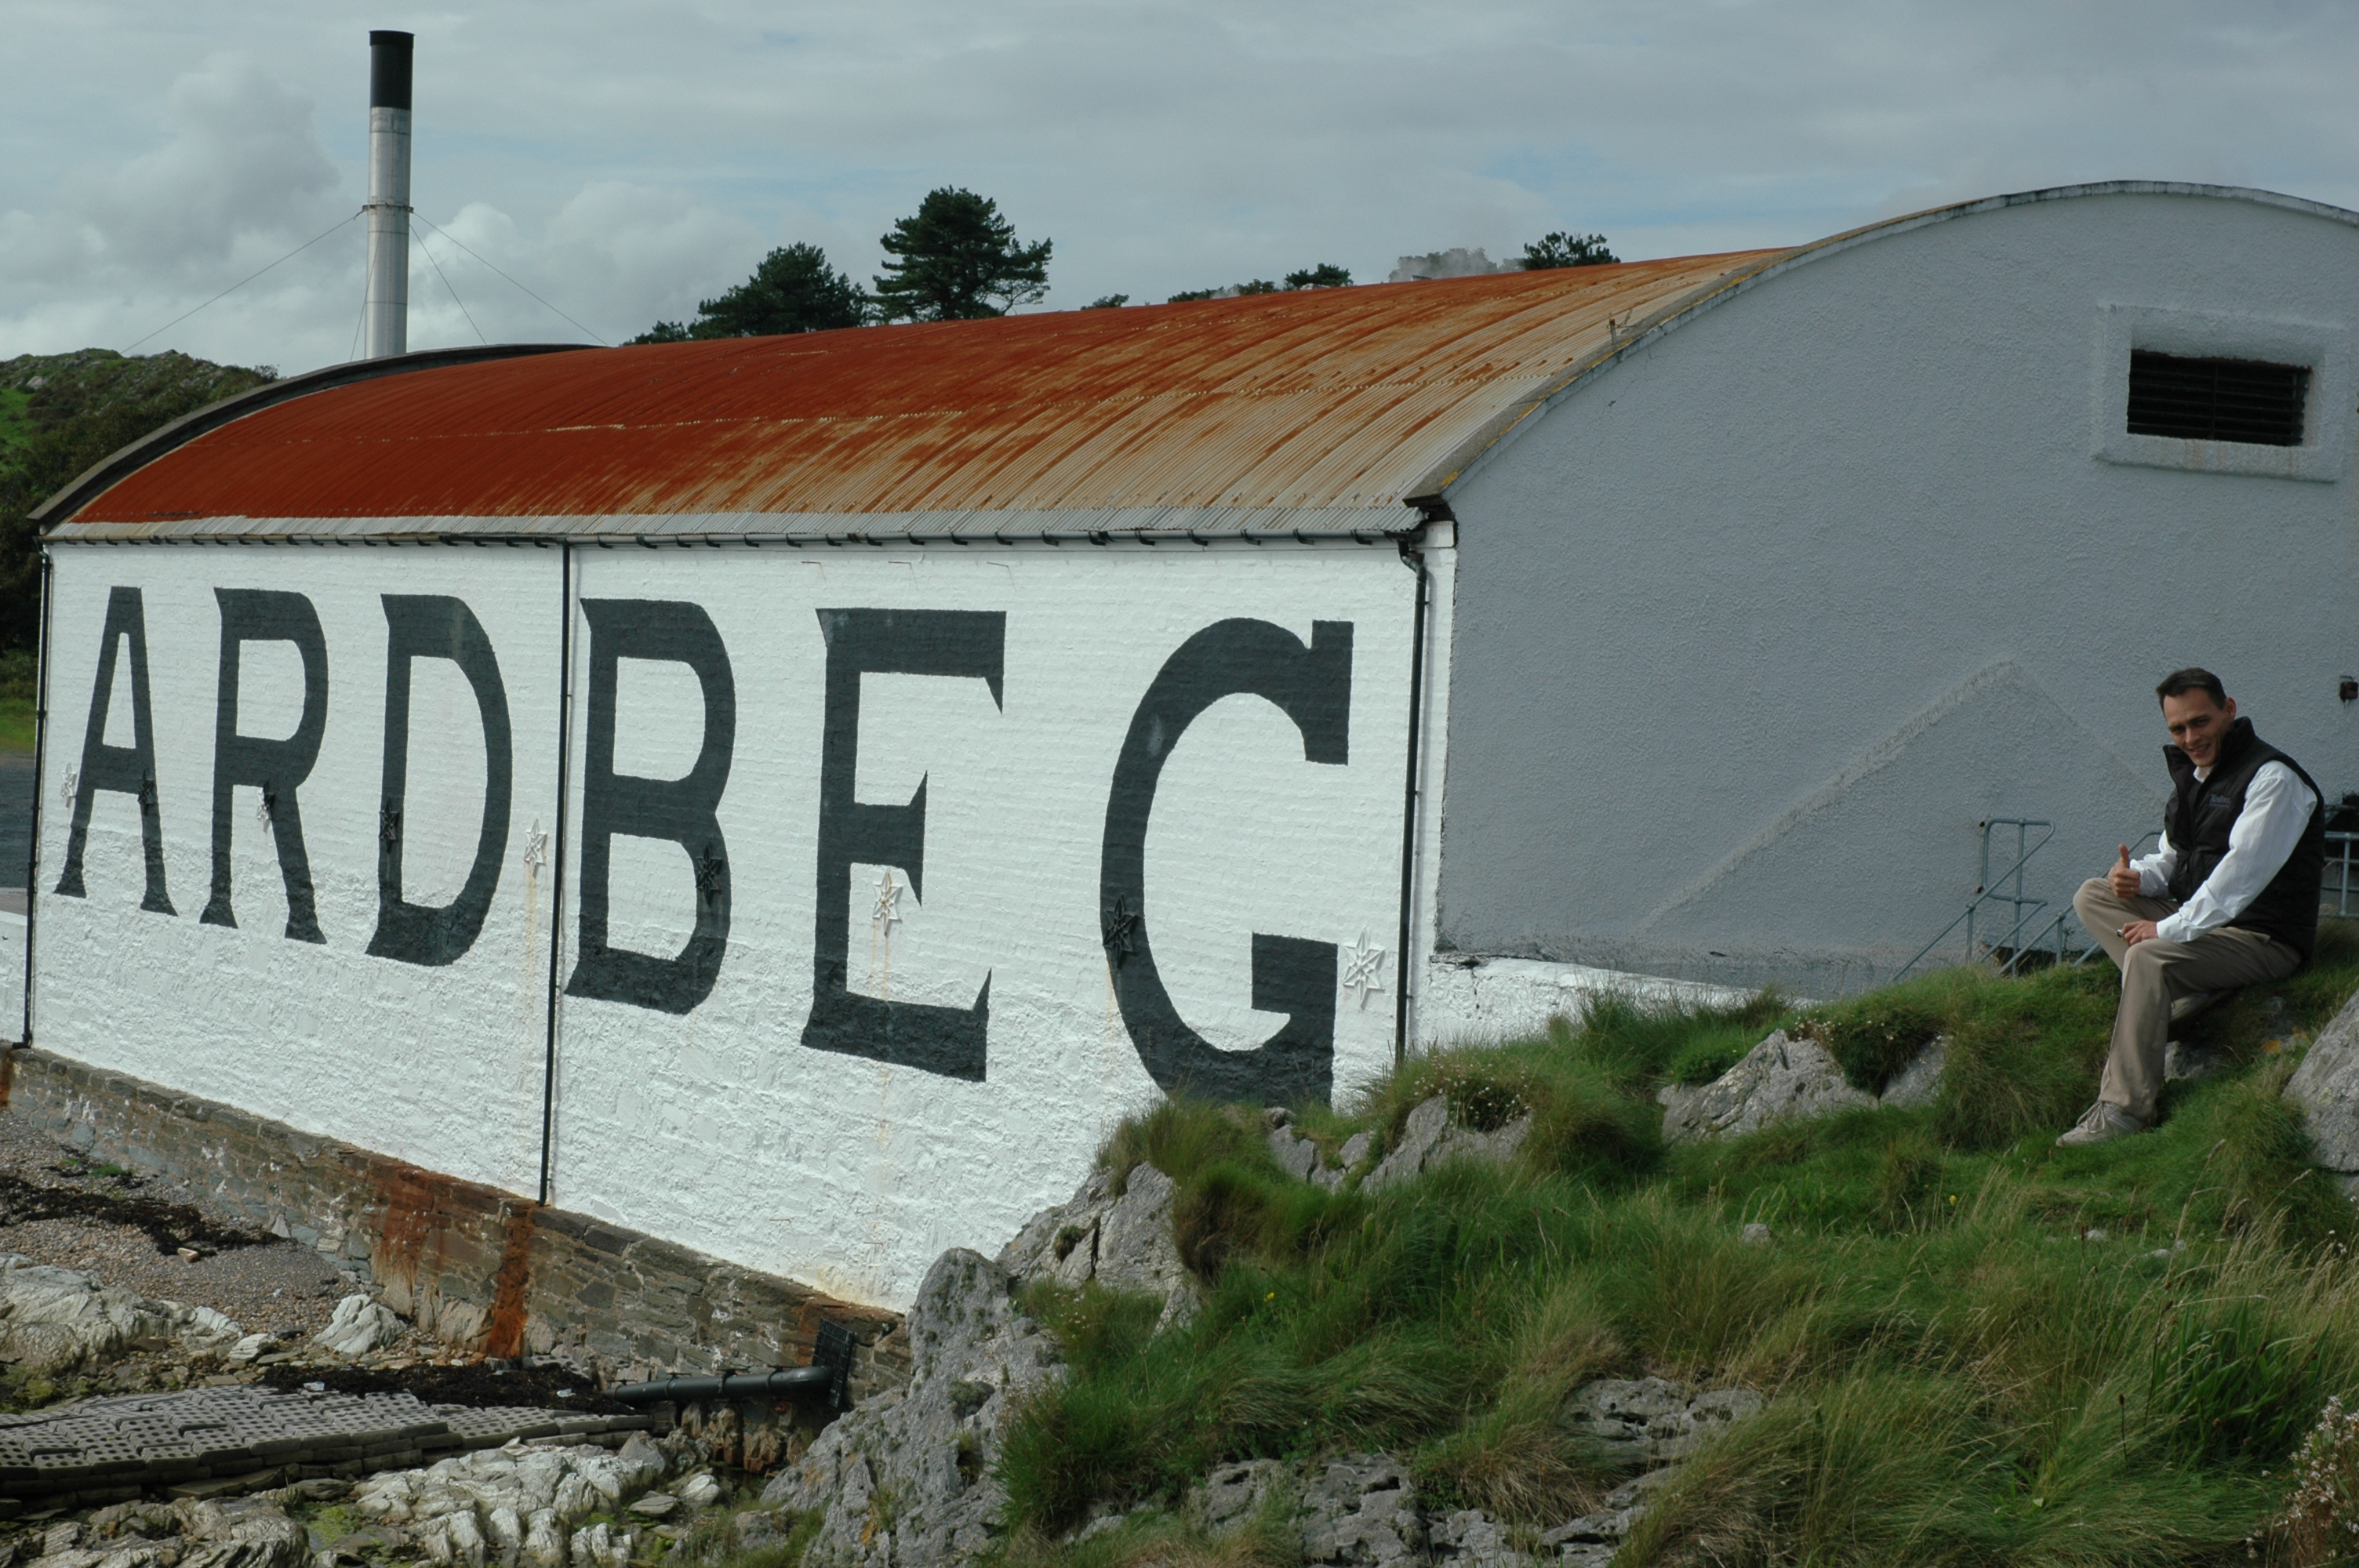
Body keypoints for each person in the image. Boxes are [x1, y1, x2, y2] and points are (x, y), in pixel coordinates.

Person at [2059, 668, 2325, 1147]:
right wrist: (2136, 878)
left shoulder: (2274, 779)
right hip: (2212, 928)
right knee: (2093, 895)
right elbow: (2177, 857)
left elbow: (2238, 880)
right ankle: (2176, 995)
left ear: (2229, 710)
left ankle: (2124, 1110)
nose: (2190, 738)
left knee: (2146, 955)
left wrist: (2169, 930)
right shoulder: (2198, 777)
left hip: (2263, 938)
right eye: (2177, 729)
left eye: (2200, 722)